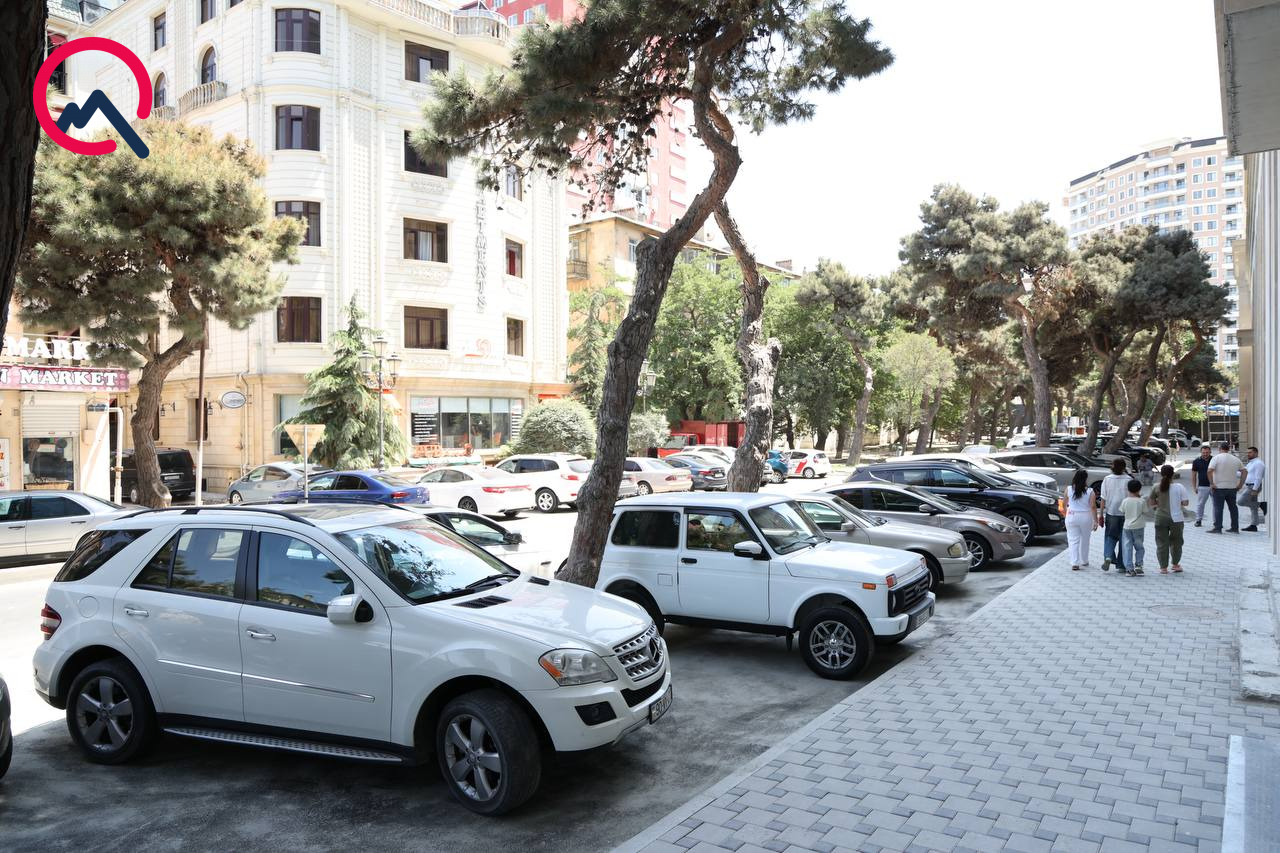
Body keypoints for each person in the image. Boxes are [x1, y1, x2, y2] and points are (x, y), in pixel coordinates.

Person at [1150, 464, 1190, 574]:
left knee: (1161, 542)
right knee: (1177, 542)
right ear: (1173, 474)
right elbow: (1185, 503)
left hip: (1160, 518)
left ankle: (1163, 567)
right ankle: (1176, 564)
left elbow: (1152, 503)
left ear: (1161, 474)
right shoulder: (1180, 487)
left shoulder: (1156, 487)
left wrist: (1158, 505)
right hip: (1177, 519)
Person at [1098, 458, 1131, 574]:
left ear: (1112, 466)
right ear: (1124, 467)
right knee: (1124, 538)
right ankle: (1121, 565)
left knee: (1110, 536)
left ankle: (1108, 556)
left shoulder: (1107, 479)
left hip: (1111, 512)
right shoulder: (1129, 479)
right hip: (1126, 513)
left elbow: (1103, 498)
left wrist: (1101, 515)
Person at [1207, 441, 1245, 533]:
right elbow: (1245, 471)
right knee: (1233, 508)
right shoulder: (1235, 459)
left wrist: (1212, 483)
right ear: (1228, 449)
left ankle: (1218, 528)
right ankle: (1235, 528)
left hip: (1218, 487)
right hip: (1232, 487)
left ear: (1220, 449)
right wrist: (1240, 484)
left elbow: (1209, 471)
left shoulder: (1216, 458)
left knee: (1218, 508)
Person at [1065, 469, 1098, 571]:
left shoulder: (1068, 489)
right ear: (1086, 479)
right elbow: (1093, 507)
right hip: (1085, 517)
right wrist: (1095, 521)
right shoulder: (1090, 491)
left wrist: (1067, 512)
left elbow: (1064, 503)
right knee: (1085, 539)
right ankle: (1084, 560)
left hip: (1071, 515)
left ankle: (1074, 562)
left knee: (1073, 540)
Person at [1120, 479, 1147, 576]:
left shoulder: (1125, 501)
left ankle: (1129, 569)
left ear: (1128, 489)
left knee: (1127, 547)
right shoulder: (1142, 501)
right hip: (1139, 526)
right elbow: (1145, 511)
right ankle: (1139, 565)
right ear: (1139, 489)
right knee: (1139, 547)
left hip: (1127, 526)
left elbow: (1122, 511)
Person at [1240, 446, 1267, 532]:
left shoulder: (1259, 463)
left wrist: (1255, 489)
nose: (1248, 454)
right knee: (1253, 508)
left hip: (1253, 487)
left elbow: (1259, 478)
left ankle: (1261, 505)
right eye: (1247, 452)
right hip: (1249, 486)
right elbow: (1244, 474)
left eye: (1250, 452)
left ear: (1256, 453)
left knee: (1240, 502)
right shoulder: (1250, 463)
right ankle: (1253, 525)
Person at [1189, 444, 1213, 526]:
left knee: (1216, 505)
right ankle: (1198, 520)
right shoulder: (1196, 461)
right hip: (1202, 486)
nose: (1205, 454)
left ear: (1210, 452)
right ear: (1201, 452)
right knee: (1200, 504)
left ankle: (1217, 522)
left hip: (1214, 486)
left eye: (1207, 452)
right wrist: (1194, 487)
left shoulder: (1214, 460)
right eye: (1203, 452)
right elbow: (1193, 475)